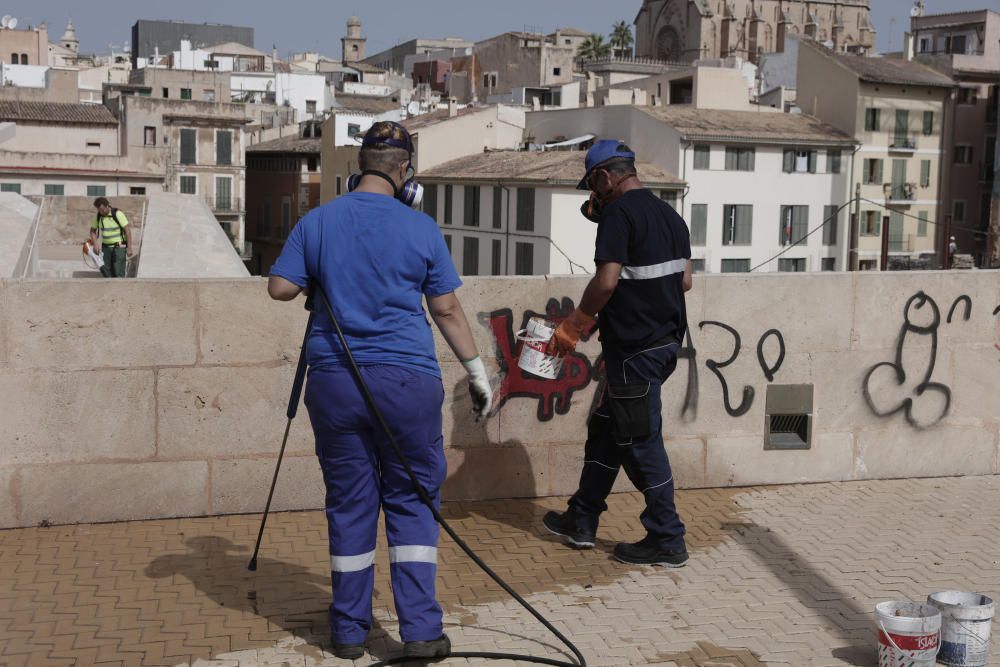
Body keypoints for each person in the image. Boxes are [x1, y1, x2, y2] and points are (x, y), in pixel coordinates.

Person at [266, 121, 492, 661]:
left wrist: (318, 278)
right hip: (408, 383)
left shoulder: (318, 220)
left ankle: (348, 632)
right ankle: (419, 633)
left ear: (357, 168)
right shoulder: (421, 229)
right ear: (406, 174)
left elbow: (280, 287)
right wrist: (478, 372)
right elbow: (446, 308)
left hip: (335, 381)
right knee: (413, 504)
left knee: (349, 504)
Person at [542, 139, 692, 568]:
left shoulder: (619, 216)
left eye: (594, 182)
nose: (594, 193)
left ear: (605, 177)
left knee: (641, 443)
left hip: (633, 350)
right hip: (663, 344)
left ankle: (667, 538)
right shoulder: (671, 216)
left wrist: (573, 325)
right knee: (608, 429)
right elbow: (684, 283)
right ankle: (582, 519)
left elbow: (606, 282)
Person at [89, 197, 132, 278]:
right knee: (107, 271)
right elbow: (92, 231)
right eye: (99, 210)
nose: (101, 212)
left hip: (119, 246)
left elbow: (128, 231)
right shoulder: (99, 216)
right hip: (106, 247)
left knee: (118, 270)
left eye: (102, 210)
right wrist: (95, 244)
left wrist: (129, 248)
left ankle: (120, 287)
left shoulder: (117, 214)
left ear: (107, 206)